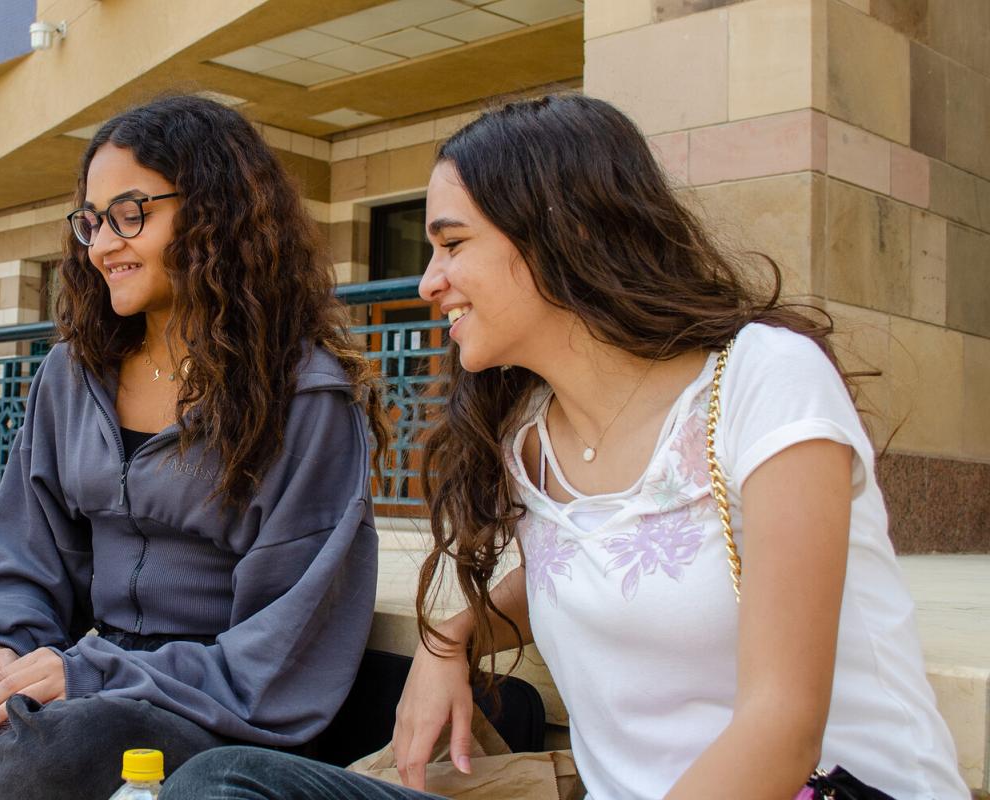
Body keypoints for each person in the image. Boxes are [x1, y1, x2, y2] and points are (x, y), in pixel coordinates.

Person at [160, 93, 970, 799]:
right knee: (220, 785)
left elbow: (783, 725)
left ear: (560, 231)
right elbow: (593, 557)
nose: (427, 281)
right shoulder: (532, 439)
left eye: (453, 243)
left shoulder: (763, 380)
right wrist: (449, 640)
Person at [0, 94, 390, 800]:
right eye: (91, 221)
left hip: (202, 714)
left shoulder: (306, 400)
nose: (103, 244)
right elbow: (25, 555)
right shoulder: (72, 373)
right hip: (71, 682)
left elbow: (280, 654)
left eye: (130, 214)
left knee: (48, 754)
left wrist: (88, 674)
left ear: (216, 214)